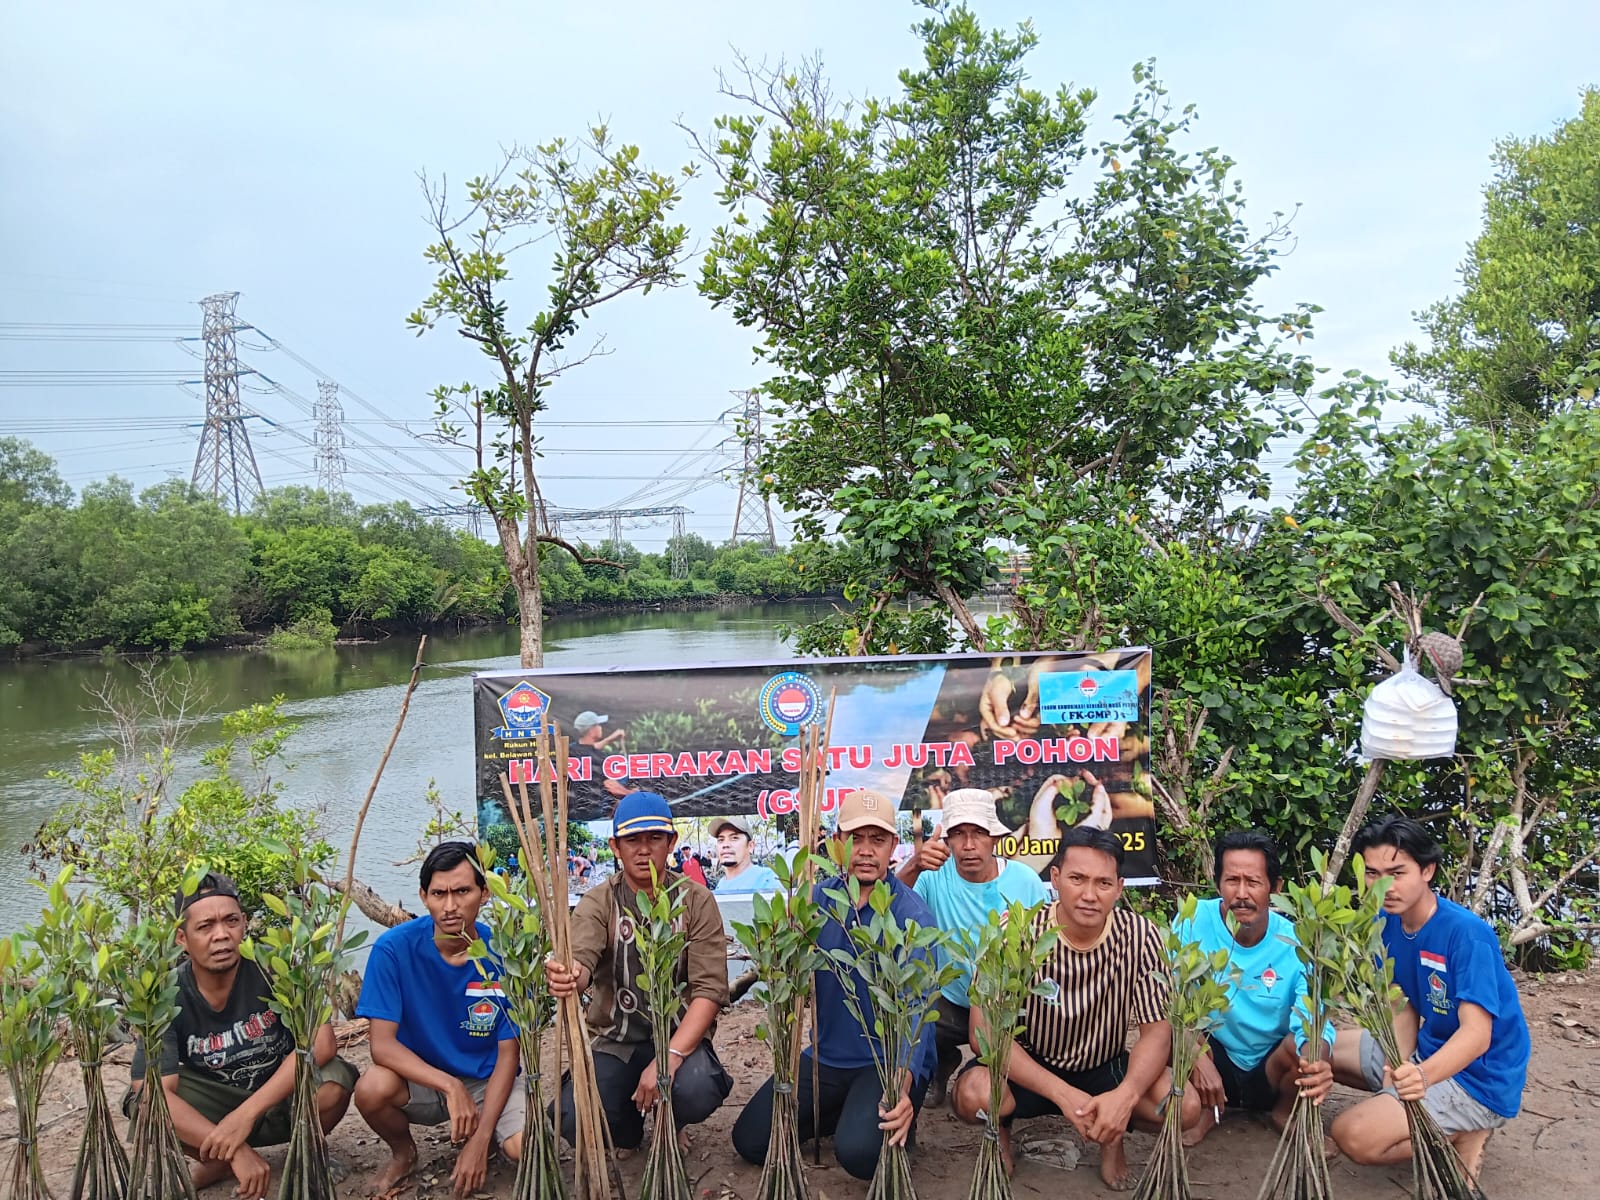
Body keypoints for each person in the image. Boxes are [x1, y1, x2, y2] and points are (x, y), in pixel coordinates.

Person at [950, 827, 1190, 1190]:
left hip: (1104, 1067)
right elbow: (984, 1035)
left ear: (1120, 888)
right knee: (973, 1094)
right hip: (1030, 1065)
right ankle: (999, 1130)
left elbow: (1156, 1033)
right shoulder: (1017, 931)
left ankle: (1113, 1133)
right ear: (1057, 879)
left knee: (1181, 1104)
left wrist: (1123, 1098)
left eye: (1103, 883)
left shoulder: (1142, 936)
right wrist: (1063, 1094)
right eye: (1077, 879)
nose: (1089, 895)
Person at [732, 788, 941, 1181]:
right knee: (752, 1141)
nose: (866, 850)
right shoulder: (813, 903)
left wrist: (904, 1077)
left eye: (877, 840)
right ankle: (847, 1111)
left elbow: (917, 1010)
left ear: (893, 846)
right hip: (826, 1057)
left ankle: (881, 1118)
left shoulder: (913, 916)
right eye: (855, 839)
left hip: (883, 1062)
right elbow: (784, 971)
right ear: (836, 845)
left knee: (859, 1155)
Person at [123, 872, 357, 1199]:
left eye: (231, 921)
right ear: (181, 938)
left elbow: (322, 1042)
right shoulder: (165, 994)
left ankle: (305, 1152)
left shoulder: (275, 966)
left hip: (281, 1098)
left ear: (244, 923)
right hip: (215, 1104)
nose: (222, 935)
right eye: (205, 927)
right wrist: (237, 1150)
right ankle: (222, 1158)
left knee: (335, 1079)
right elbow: (151, 1091)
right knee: (145, 1100)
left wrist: (245, 1115)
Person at [1329, 815, 1530, 1180]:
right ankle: (1427, 1118)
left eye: (1397, 872)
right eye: (1371, 873)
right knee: (1314, 1047)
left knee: (1352, 1136)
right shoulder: (1384, 921)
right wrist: (1398, 1062)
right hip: (1428, 1049)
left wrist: (1419, 1077)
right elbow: (1403, 1004)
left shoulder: (1467, 934)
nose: (1383, 885)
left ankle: (1461, 1133)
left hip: (1479, 1077)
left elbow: (1477, 1034)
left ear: (1427, 871)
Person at [546, 792, 733, 1151]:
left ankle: (673, 1119)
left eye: (654, 839)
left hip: (681, 1039)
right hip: (618, 1040)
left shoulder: (696, 900)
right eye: (633, 840)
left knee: (695, 1089)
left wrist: (670, 1058)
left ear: (671, 842)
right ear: (616, 846)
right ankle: (629, 1128)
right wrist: (570, 973)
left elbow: (709, 990)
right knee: (573, 1115)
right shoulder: (599, 901)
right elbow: (581, 956)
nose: (644, 850)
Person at [354, 842, 523, 1198]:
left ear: (484, 893)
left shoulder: (504, 955)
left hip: (487, 1077)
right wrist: (449, 1085)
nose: (450, 906)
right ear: (423, 896)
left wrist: (478, 1140)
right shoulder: (392, 950)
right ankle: (404, 1154)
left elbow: (509, 1053)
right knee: (371, 1089)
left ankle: (488, 1137)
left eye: (462, 891)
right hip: (426, 1079)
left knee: (522, 1147)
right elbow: (381, 1046)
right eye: (439, 893)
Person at [1176, 830, 1335, 1145]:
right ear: (1218, 882)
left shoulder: (1297, 941)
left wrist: (1318, 1063)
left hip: (1270, 1067)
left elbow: (1312, 1019)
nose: (1241, 893)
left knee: (1304, 1043)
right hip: (1213, 1054)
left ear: (1274, 888)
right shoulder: (1193, 920)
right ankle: (1208, 1109)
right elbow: (1172, 1002)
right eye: (1232, 880)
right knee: (1176, 1032)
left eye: (1254, 882)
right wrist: (1197, 1057)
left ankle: (1284, 1110)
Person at [895, 788, 1049, 1106]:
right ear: (947, 840)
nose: (968, 845)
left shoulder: (1026, 881)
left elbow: (1047, 949)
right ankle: (936, 1067)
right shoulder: (932, 877)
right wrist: (913, 866)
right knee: (910, 1018)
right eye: (958, 834)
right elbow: (888, 912)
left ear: (994, 838)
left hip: (1005, 1001)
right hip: (949, 999)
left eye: (978, 833)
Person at [712, 816, 780, 894]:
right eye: (721, 840)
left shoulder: (768, 878)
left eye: (734, 838)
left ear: (750, 846)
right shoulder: (720, 885)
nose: (725, 845)